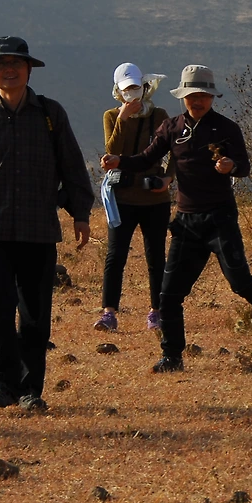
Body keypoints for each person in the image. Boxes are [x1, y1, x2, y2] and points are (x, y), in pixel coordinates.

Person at [102, 65, 252, 373]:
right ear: (183, 96)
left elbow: (244, 167)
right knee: (169, 295)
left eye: (203, 96)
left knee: (240, 283)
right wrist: (121, 162)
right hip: (186, 222)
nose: (197, 101)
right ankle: (172, 356)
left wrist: (230, 167)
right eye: (191, 96)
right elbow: (147, 158)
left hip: (219, 218)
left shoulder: (226, 128)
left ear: (211, 97)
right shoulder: (172, 127)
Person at [0, 37, 94, 413]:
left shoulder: (49, 114)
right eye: (0, 64)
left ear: (29, 69)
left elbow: (72, 165)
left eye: (16, 63)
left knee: (34, 311)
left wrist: (80, 213)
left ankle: (30, 390)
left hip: (38, 226)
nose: (8, 70)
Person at [96, 63, 171, 333]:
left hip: (154, 198)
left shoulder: (159, 115)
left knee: (156, 257)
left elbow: (174, 149)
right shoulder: (111, 116)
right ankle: (108, 313)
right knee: (115, 256)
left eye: (136, 88)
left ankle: (156, 311)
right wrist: (123, 119)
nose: (132, 94)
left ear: (144, 87)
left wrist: (168, 178)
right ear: (118, 91)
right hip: (123, 198)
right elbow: (112, 151)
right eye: (127, 89)